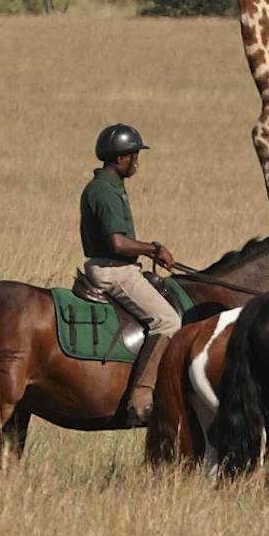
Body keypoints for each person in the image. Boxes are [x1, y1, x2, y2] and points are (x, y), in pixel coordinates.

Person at [79, 123, 180, 427]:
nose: (137, 162)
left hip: (116, 267)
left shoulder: (108, 186)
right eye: (134, 156)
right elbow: (117, 243)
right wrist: (154, 248)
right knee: (168, 320)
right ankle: (141, 398)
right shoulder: (105, 191)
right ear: (120, 158)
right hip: (114, 271)